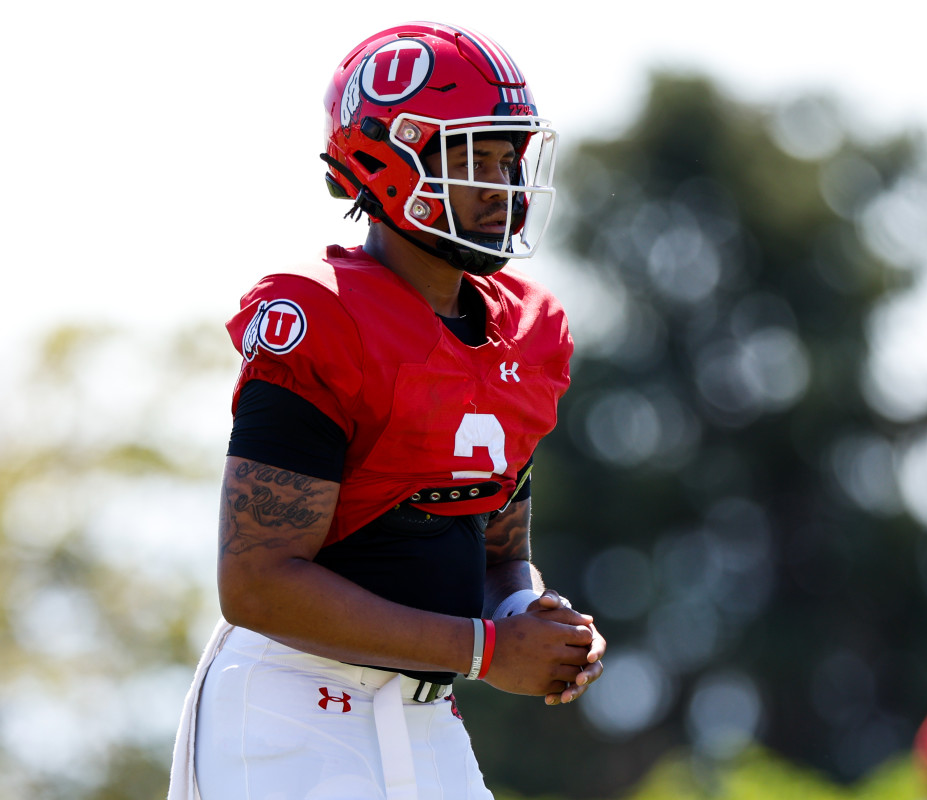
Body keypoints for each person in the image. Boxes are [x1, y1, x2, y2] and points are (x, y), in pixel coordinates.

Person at [167, 21, 605, 800]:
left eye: (510, 156)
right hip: (288, 704)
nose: (503, 183)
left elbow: (496, 552)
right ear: (390, 157)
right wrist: (484, 649)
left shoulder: (530, 334)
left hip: (426, 712)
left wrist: (532, 615)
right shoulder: (320, 315)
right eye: (475, 156)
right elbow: (257, 582)